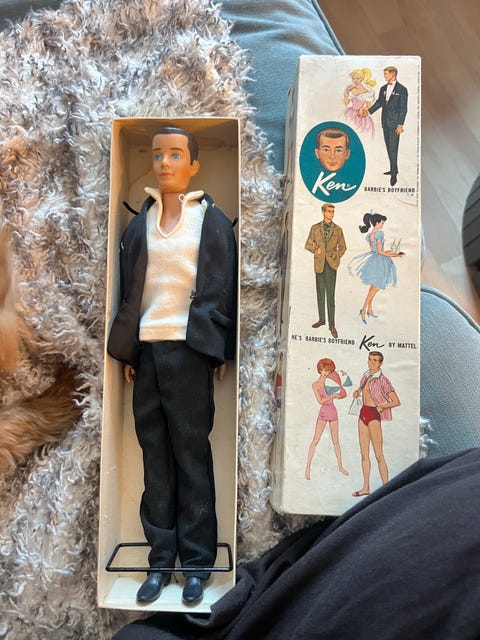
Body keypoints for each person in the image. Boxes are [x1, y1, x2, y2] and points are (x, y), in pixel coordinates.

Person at [107, 126, 237, 606]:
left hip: (190, 349)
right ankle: (160, 562)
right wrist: (131, 351)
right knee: (154, 459)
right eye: (159, 154)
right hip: (148, 351)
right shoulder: (138, 224)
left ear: (194, 165)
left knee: (192, 456)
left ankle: (197, 564)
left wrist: (218, 350)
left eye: (176, 154)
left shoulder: (211, 221)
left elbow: (225, 287)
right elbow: (129, 290)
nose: (165, 162)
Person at [351, 351, 400, 497]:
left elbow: (396, 401)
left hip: (373, 414)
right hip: (363, 412)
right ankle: (366, 488)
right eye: (370, 359)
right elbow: (362, 391)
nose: (371, 362)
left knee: (379, 454)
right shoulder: (365, 376)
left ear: (380, 363)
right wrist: (357, 393)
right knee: (364, 454)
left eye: (375, 360)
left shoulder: (383, 380)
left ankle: (386, 489)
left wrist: (382, 406)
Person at [348, 211, 404, 324]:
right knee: (376, 287)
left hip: (374, 260)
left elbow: (374, 250)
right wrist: (395, 255)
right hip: (380, 263)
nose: (382, 225)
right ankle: (364, 309)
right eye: (382, 223)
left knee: (373, 287)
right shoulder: (379, 234)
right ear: (377, 223)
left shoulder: (370, 235)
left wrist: (391, 252)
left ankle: (369, 309)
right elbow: (380, 252)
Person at [360, 66, 408, 186]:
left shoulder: (402, 89)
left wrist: (400, 124)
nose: (384, 76)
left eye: (386, 74)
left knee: (393, 148)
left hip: (395, 124)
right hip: (385, 122)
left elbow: (403, 108)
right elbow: (379, 103)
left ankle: (394, 174)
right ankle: (393, 169)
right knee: (389, 147)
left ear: (393, 74)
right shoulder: (383, 88)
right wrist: (368, 112)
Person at [304, 203, 346, 338]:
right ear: (323, 212)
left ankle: (332, 325)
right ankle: (322, 320)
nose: (331, 214)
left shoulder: (338, 229)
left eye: (333, 211)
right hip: (319, 264)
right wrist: (315, 250)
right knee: (320, 294)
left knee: (330, 296)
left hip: (331, 265)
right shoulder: (315, 228)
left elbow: (343, 247)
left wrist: (336, 256)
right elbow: (307, 244)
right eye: (329, 211)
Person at [305, 357, 350, 480]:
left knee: (336, 441)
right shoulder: (316, 385)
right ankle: (308, 467)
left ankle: (340, 466)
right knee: (316, 439)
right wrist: (332, 396)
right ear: (320, 370)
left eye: (329, 371)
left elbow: (342, 393)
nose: (326, 373)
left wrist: (344, 377)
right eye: (324, 370)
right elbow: (320, 401)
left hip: (333, 411)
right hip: (324, 411)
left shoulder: (332, 382)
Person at [343, 67, 376, 136]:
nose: (355, 80)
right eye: (353, 78)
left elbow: (369, 106)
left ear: (361, 79)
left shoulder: (367, 91)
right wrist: (346, 92)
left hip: (361, 115)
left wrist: (363, 109)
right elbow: (346, 103)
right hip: (350, 113)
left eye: (357, 78)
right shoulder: (351, 89)